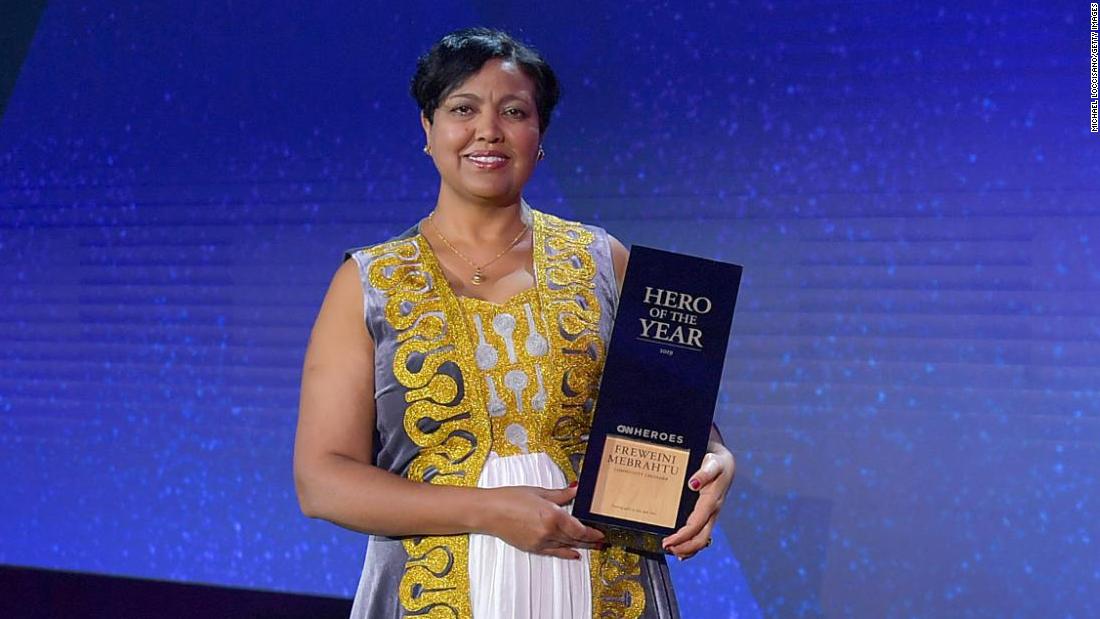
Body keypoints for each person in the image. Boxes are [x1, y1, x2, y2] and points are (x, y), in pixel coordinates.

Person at [293, 27, 736, 619]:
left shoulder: (602, 260)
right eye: (463, 109)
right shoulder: (368, 282)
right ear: (427, 128)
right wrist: (489, 510)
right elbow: (322, 481)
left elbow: (671, 418)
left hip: (603, 582)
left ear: (539, 134)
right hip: (433, 593)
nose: (488, 131)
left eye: (514, 112)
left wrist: (714, 457)